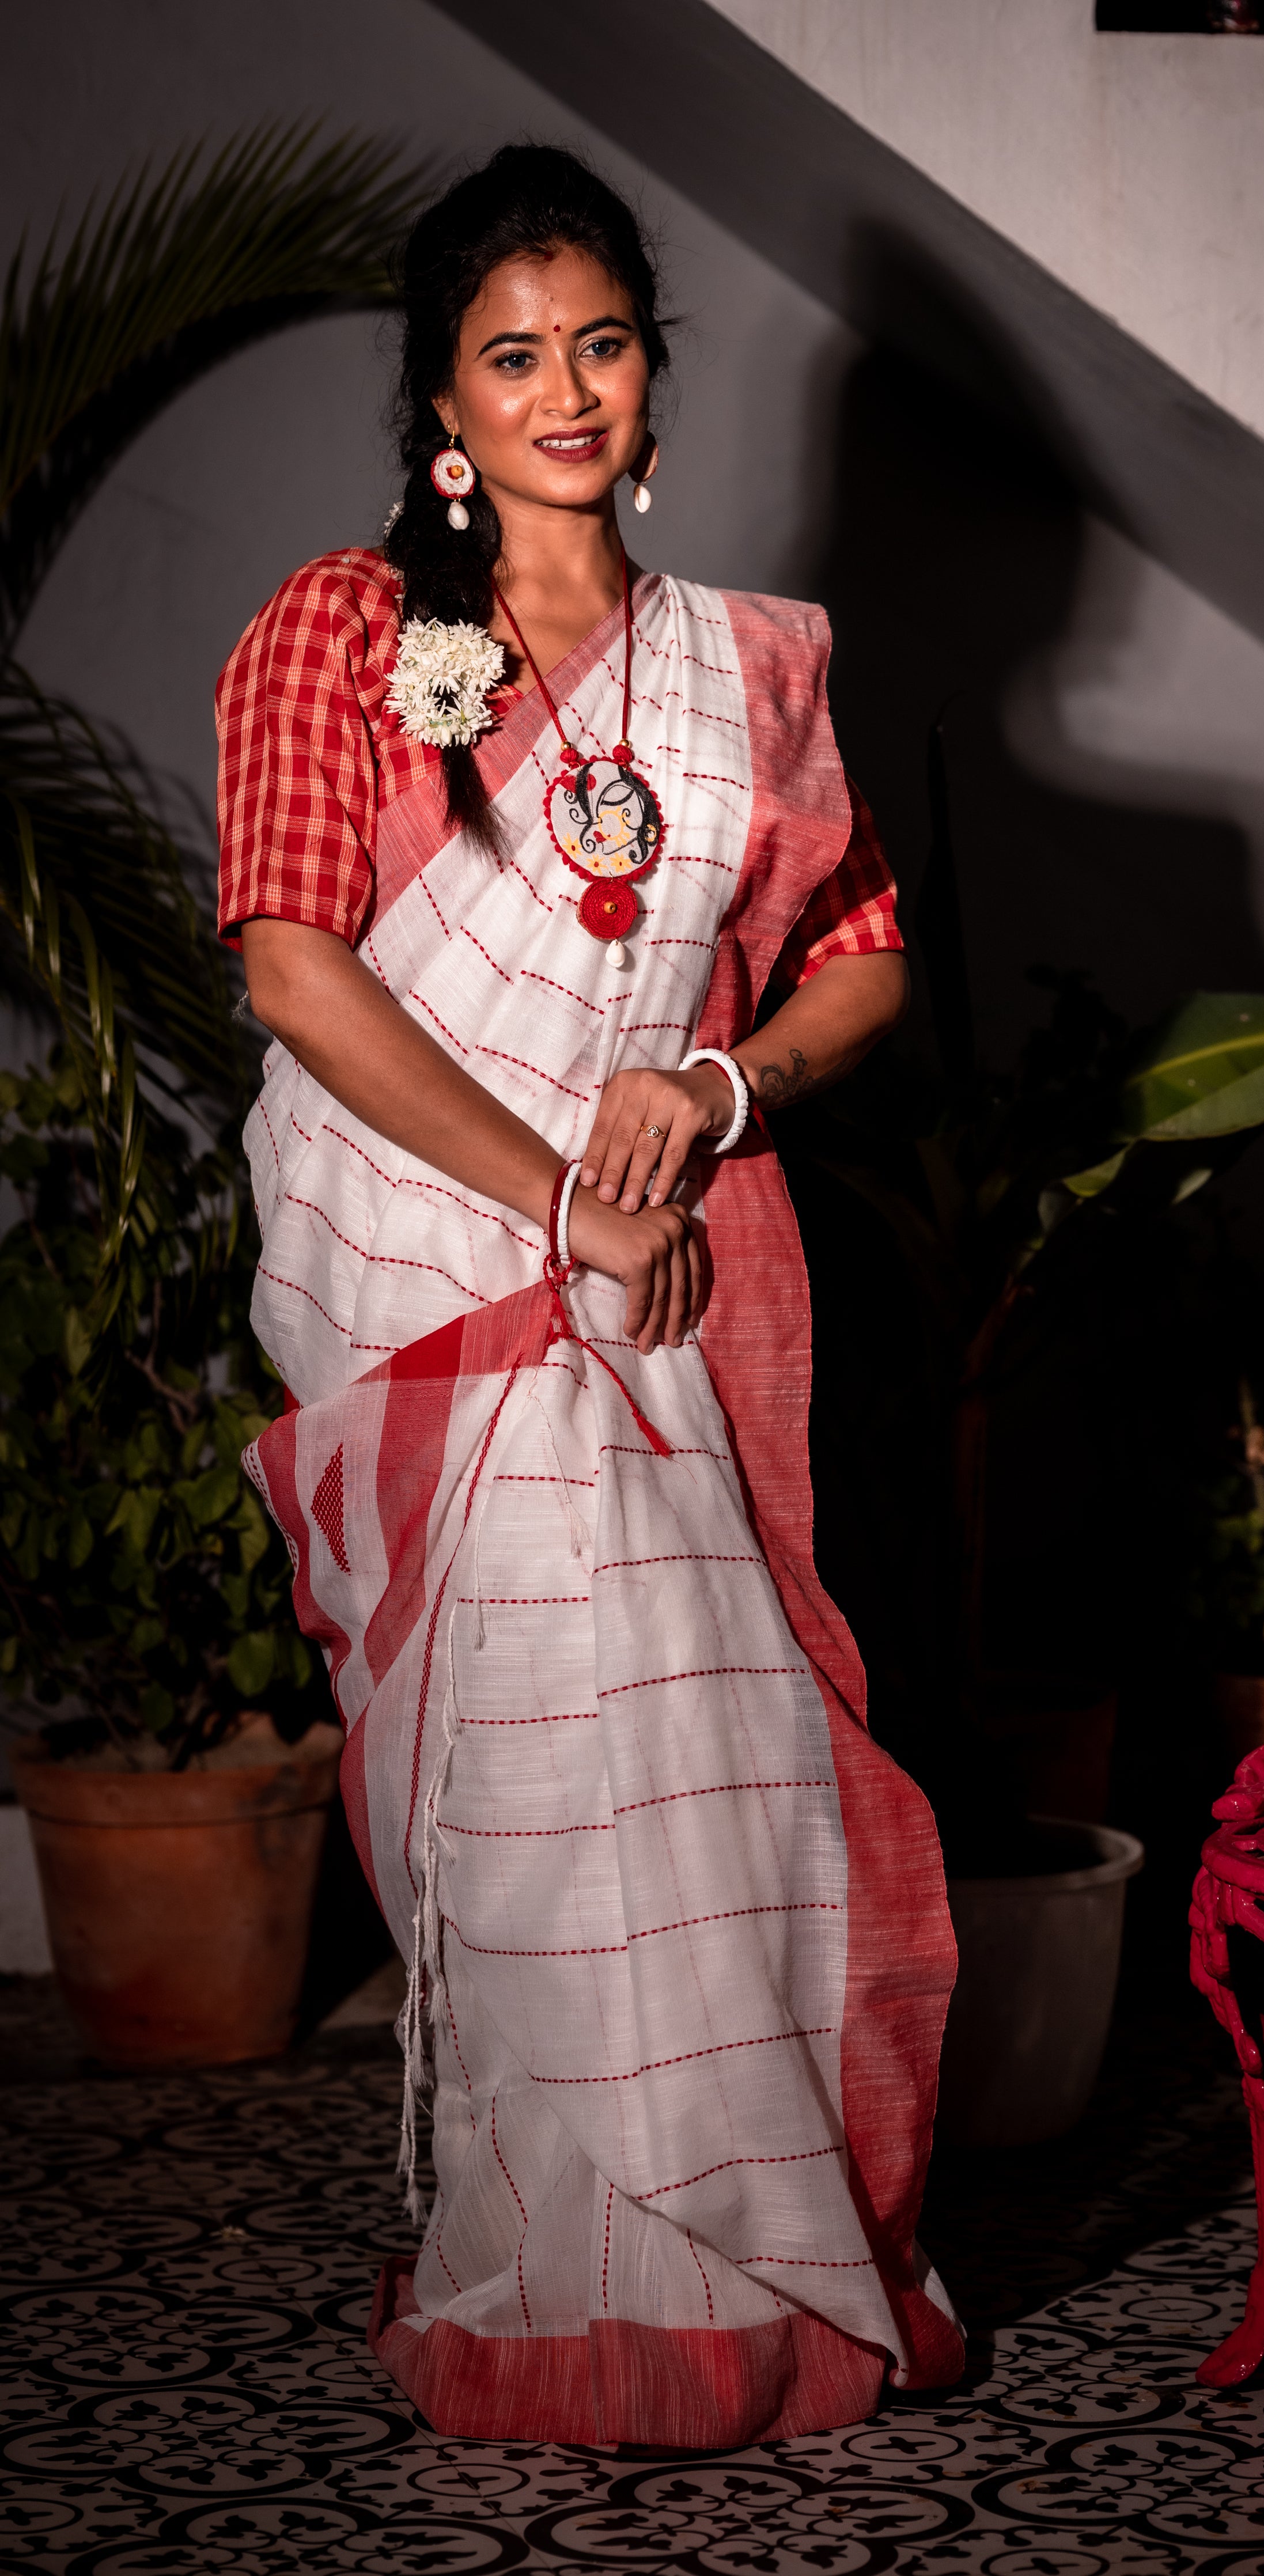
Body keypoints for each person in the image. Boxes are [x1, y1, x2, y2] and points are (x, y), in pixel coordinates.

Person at [218, 142, 963, 2449]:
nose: (563, 389)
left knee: (718, 1769)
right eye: (509, 354)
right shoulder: (344, 628)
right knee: (539, 1792)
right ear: (442, 400)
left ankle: (744, 2271)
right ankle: (555, 2276)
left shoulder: (745, 666)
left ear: (656, 381)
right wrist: (559, 1191)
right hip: (453, 1279)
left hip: (658, 1291)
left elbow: (862, 966)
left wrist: (717, 1082)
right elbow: (290, 963)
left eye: (601, 344)